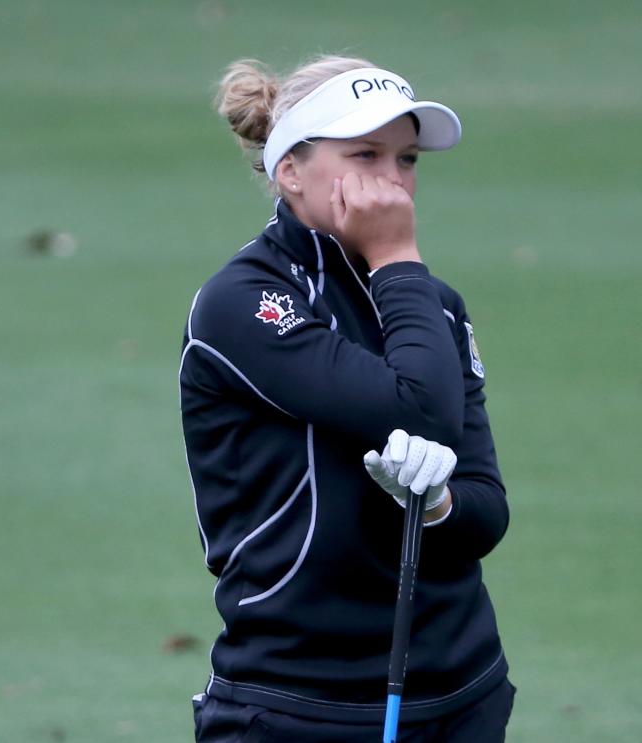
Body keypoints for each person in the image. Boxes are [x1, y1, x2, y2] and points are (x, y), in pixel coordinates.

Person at [180, 54, 513, 742]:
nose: (393, 179)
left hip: (460, 693)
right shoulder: (244, 303)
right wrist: (395, 255)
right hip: (294, 704)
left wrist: (441, 504)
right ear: (289, 172)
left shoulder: (434, 307)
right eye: (365, 154)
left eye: (408, 158)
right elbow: (419, 406)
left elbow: (487, 512)